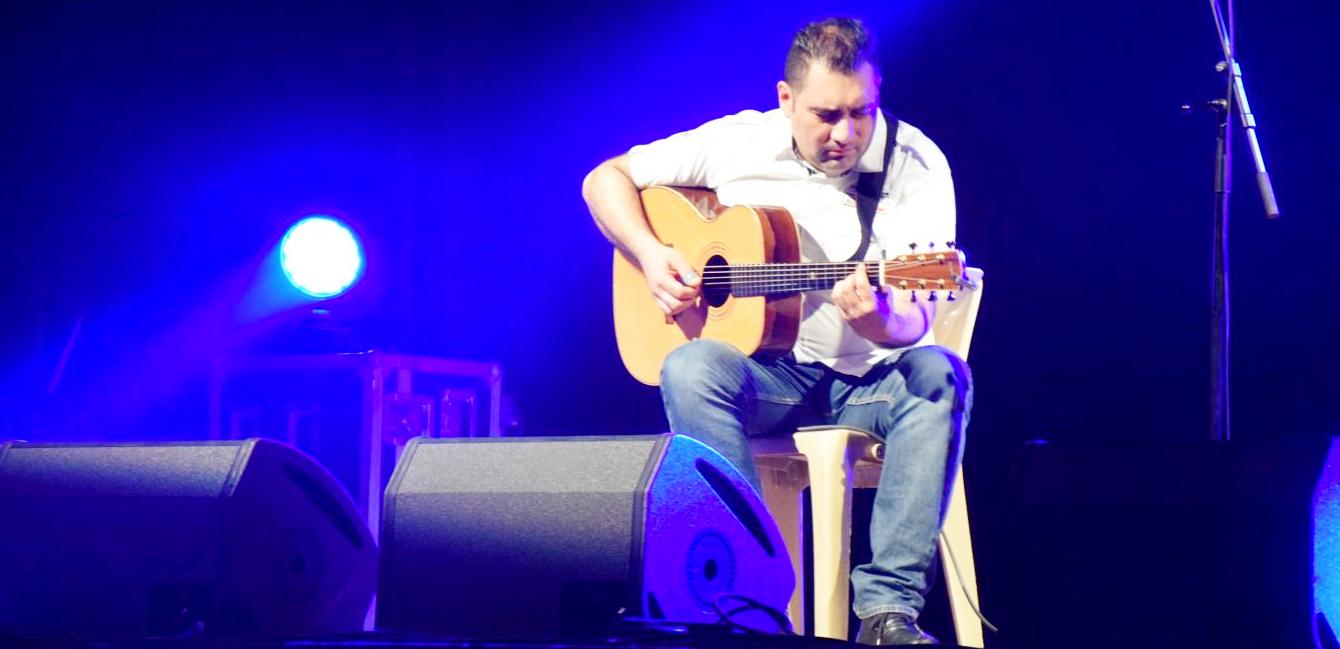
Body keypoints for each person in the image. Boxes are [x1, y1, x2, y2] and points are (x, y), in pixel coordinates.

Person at [581, 16, 971, 646]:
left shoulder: (916, 162)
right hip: (772, 375)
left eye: (861, 112)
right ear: (786, 100)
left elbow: (917, 316)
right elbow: (604, 180)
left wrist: (882, 319)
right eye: (824, 115)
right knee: (690, 365)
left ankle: (887, 614)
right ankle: (745, 599)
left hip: (870, 380)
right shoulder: (739, 142)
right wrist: (653, 254)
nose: (845, 133)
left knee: (940, 375)